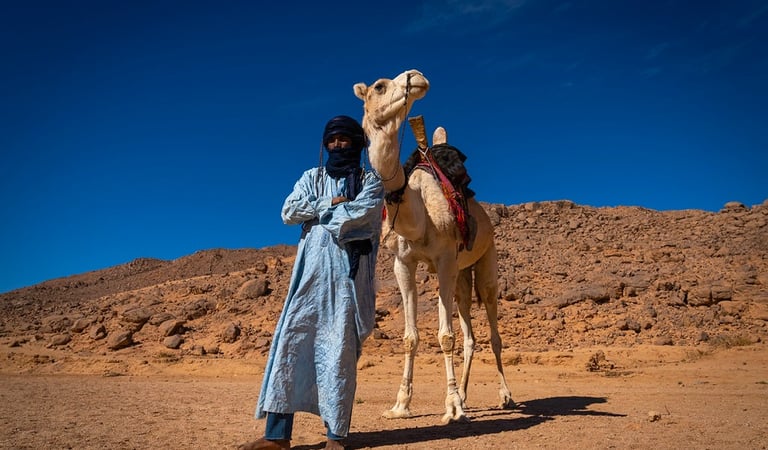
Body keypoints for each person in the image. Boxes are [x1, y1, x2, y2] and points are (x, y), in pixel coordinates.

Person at [238, 115, 384, 450]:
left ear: (357, 144)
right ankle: (277, 436)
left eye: (344, 140)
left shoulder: (370, 182)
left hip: (347, 282)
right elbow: (289, 211)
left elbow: (359, 220)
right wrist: (328, 204)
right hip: (307, 281)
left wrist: (321, 214)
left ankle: (336, 437)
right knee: (291, 346)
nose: (336, 146)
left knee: (338, 356)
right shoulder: (311, 177)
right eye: (331, 140)